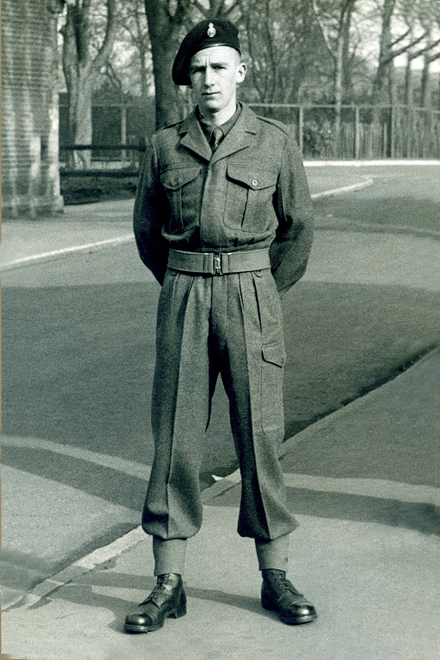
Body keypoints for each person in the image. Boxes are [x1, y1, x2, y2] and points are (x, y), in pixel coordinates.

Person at [125, 18, 316, 634]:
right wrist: (186, 282)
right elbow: (147, 232)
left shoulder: (274, 141)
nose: (208, 79)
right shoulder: (163, 146)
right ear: (190, 80)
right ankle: (167, 581)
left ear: (241, 70)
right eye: (198, 69)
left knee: (260, 436)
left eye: (219, 66)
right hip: (183, 291)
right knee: (175, 438)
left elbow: (298, 229)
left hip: (252, 294)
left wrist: (258, 289)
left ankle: (275, 576)